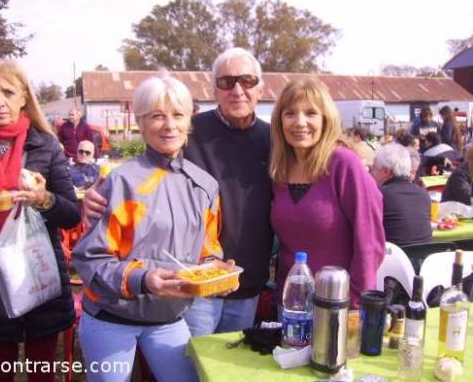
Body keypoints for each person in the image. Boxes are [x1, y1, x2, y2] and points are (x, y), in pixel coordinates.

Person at [83, 47, 274, 336]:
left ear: (260, 88)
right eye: (226, 82)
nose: (237, 90)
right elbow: (145, 171)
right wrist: (96, 196)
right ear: (214, 89)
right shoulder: (187, 129)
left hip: (245, 279)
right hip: (190, 280)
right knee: (191, 367)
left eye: (247, 81)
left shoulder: (274, 140)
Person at [72, 74, 227, 382]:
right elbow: (90, 259)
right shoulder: (120, 182)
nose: (169, 125)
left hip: (169, 318)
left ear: (189, 122)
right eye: (157, 115)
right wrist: (144, 279)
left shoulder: (205, 186)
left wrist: (218, 272)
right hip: (110, 317)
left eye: (178, 114)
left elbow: (208, 251)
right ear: (140, 123)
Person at [0, 58, 80, 381]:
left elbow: (71, 214)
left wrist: (43, 199)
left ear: (24, 97)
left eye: (8, 91)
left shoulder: (45, 145)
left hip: (38, 268)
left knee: (42, 371)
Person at [269, 78, 385, 309]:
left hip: (337, 305)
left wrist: (354, 303)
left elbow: (369, 242)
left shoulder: (344, 164)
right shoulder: (279, 170)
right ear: (280, 121)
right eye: (290, 113)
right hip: (290, 304)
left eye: (311, 113)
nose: (299, 122)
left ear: (326, 119)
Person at [372, 142, 432, 247]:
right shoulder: (423, 194)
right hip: (424, 259)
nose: (372, 173)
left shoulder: (378, 195)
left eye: (374, 168)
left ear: (386, 171)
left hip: (393, 260)